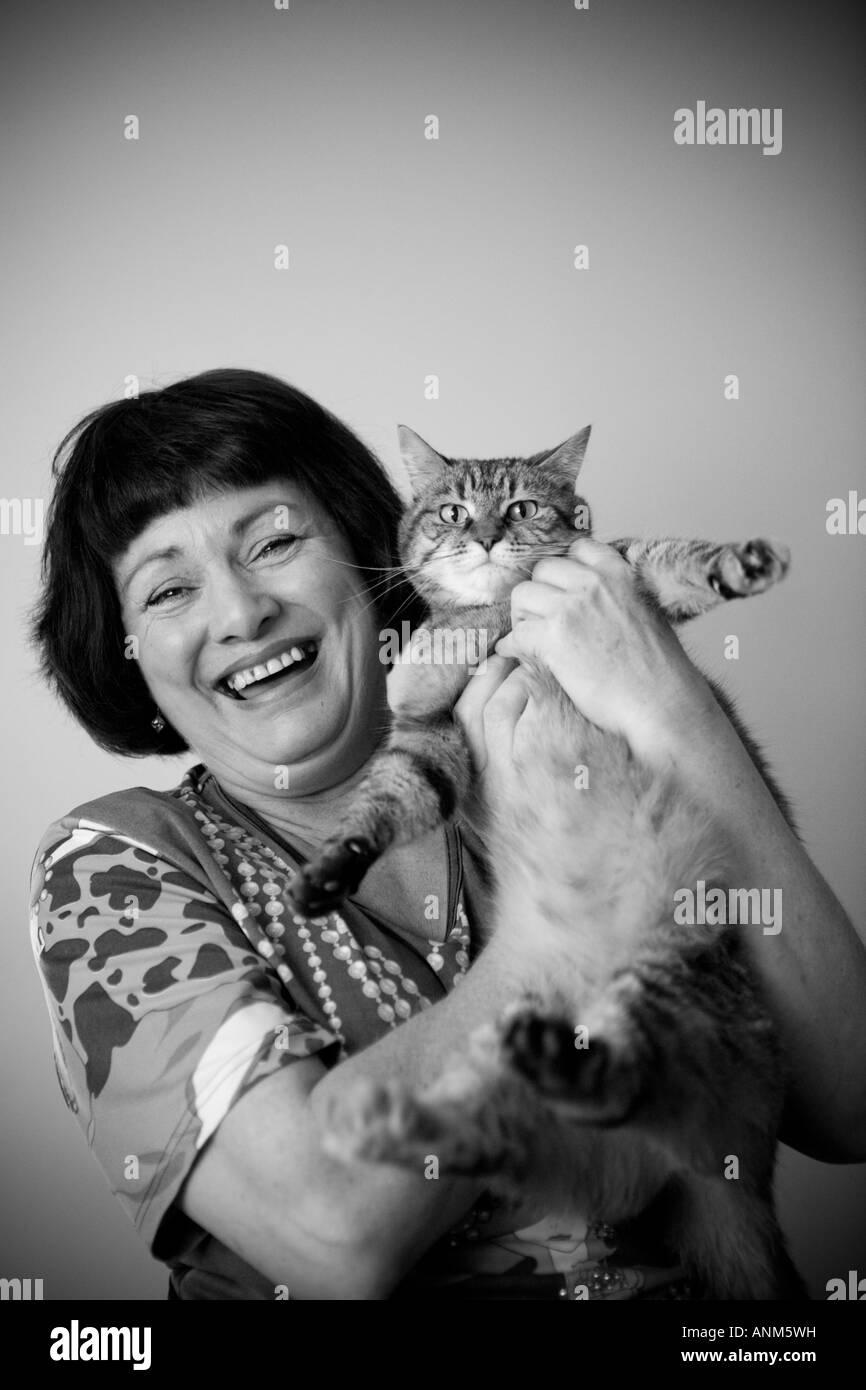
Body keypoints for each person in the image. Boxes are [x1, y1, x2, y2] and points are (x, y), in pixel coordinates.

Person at [28, 368, 866, 1301]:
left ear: (362, 550)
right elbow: (333, 1232)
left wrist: (670, 709)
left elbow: (853, 1095)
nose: (239, 613)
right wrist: (580, 934)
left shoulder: (559, 720)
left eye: (272, 542)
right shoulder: (115, 872)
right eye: (167, 591)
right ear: (126, 651)